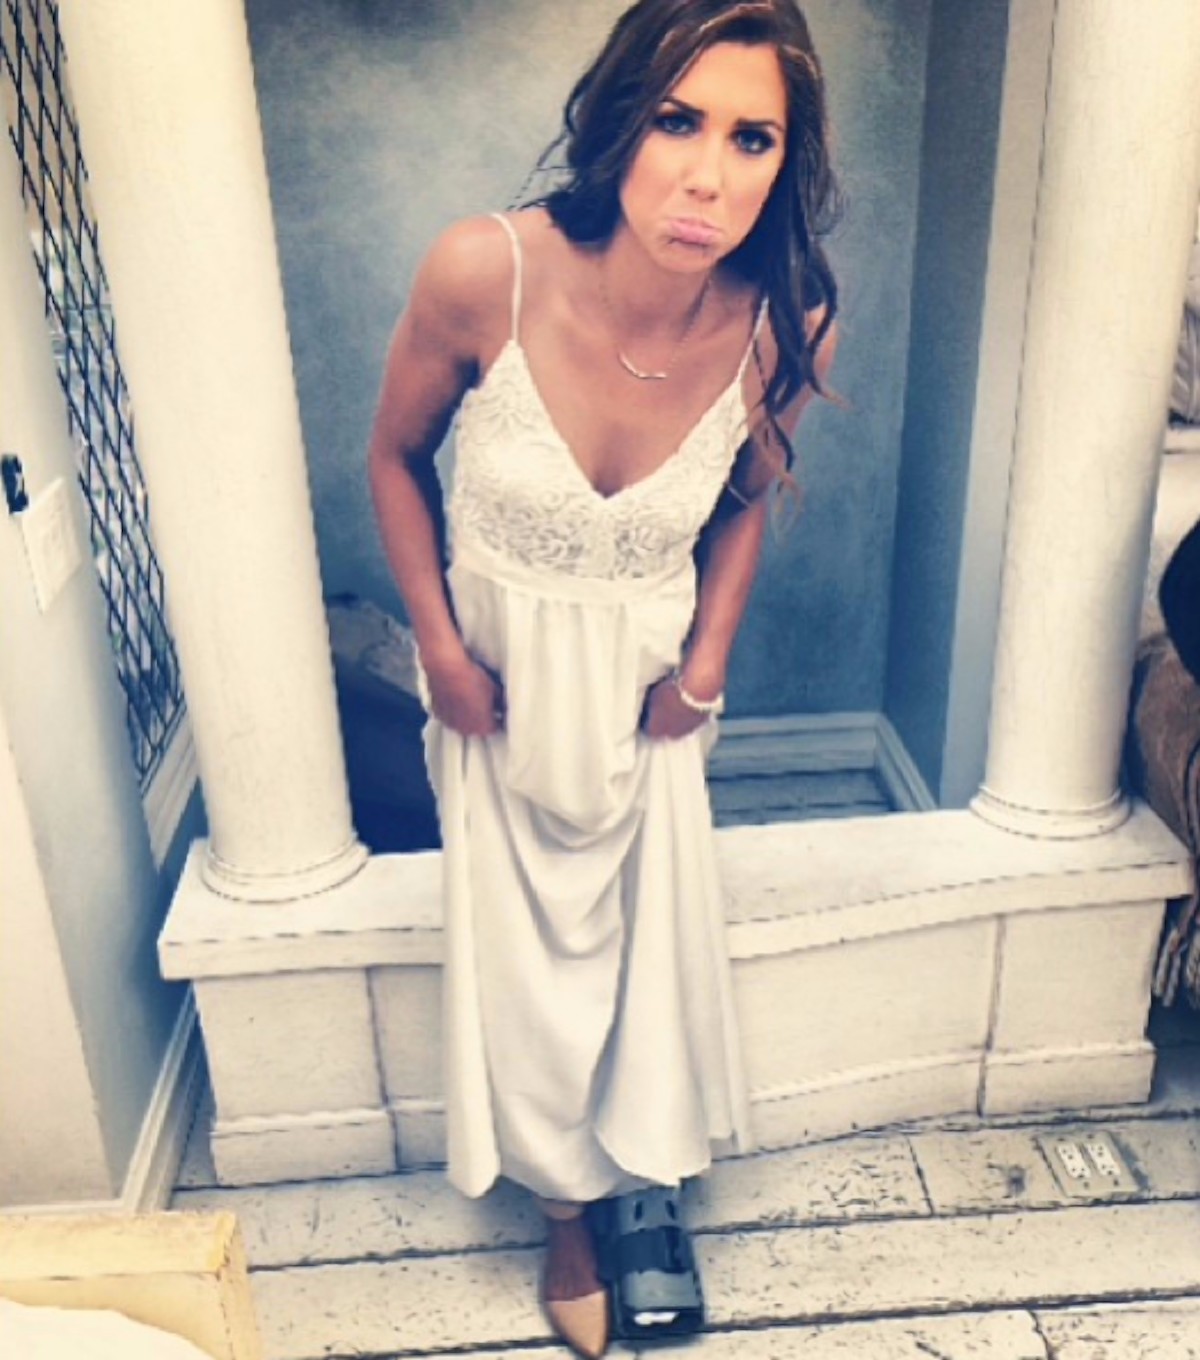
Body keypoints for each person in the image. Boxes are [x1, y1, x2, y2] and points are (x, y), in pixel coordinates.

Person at [368, 2, 840, 1354]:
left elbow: (743, 501)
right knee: (528, 969)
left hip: (650, 698)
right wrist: (439, 652)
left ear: (786, 162)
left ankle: (641, 1177)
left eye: (752, 138)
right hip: (499, 694)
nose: (708, 178)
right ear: (620, 119)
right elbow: (394, 459)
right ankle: (566, 1213)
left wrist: (707, 666)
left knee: (644, 949)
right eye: (679, 121)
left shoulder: (784, 317)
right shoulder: (484, 272)